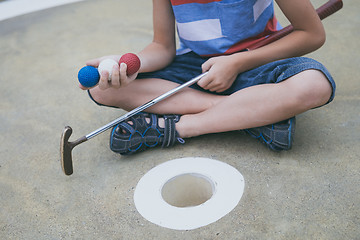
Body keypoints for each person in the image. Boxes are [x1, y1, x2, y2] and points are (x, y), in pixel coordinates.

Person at [80, 0, 335, 155]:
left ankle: (176, 129)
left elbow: (312, 34)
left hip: (259, 60)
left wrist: (237, 62)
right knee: (104, 89)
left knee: (314, 85)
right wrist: (131, 64)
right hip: (198, 66)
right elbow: (162, 47)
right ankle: (254, 114)